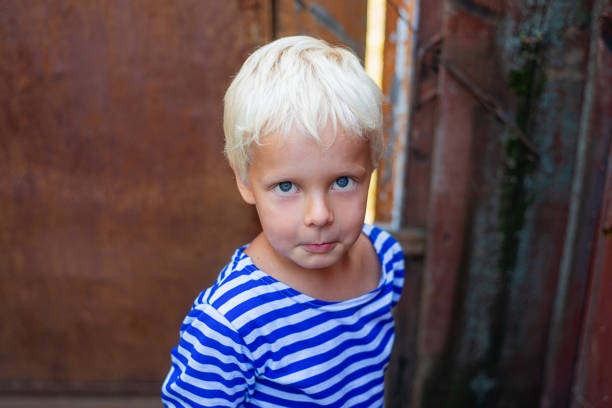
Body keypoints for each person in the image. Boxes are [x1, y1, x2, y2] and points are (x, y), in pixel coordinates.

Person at [161, 35, 405, 408]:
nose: (319, 215)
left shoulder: (385, 259)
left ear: (371, 168)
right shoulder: (232, 321)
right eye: (287, 186)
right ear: (245, 180)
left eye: (343, 182)